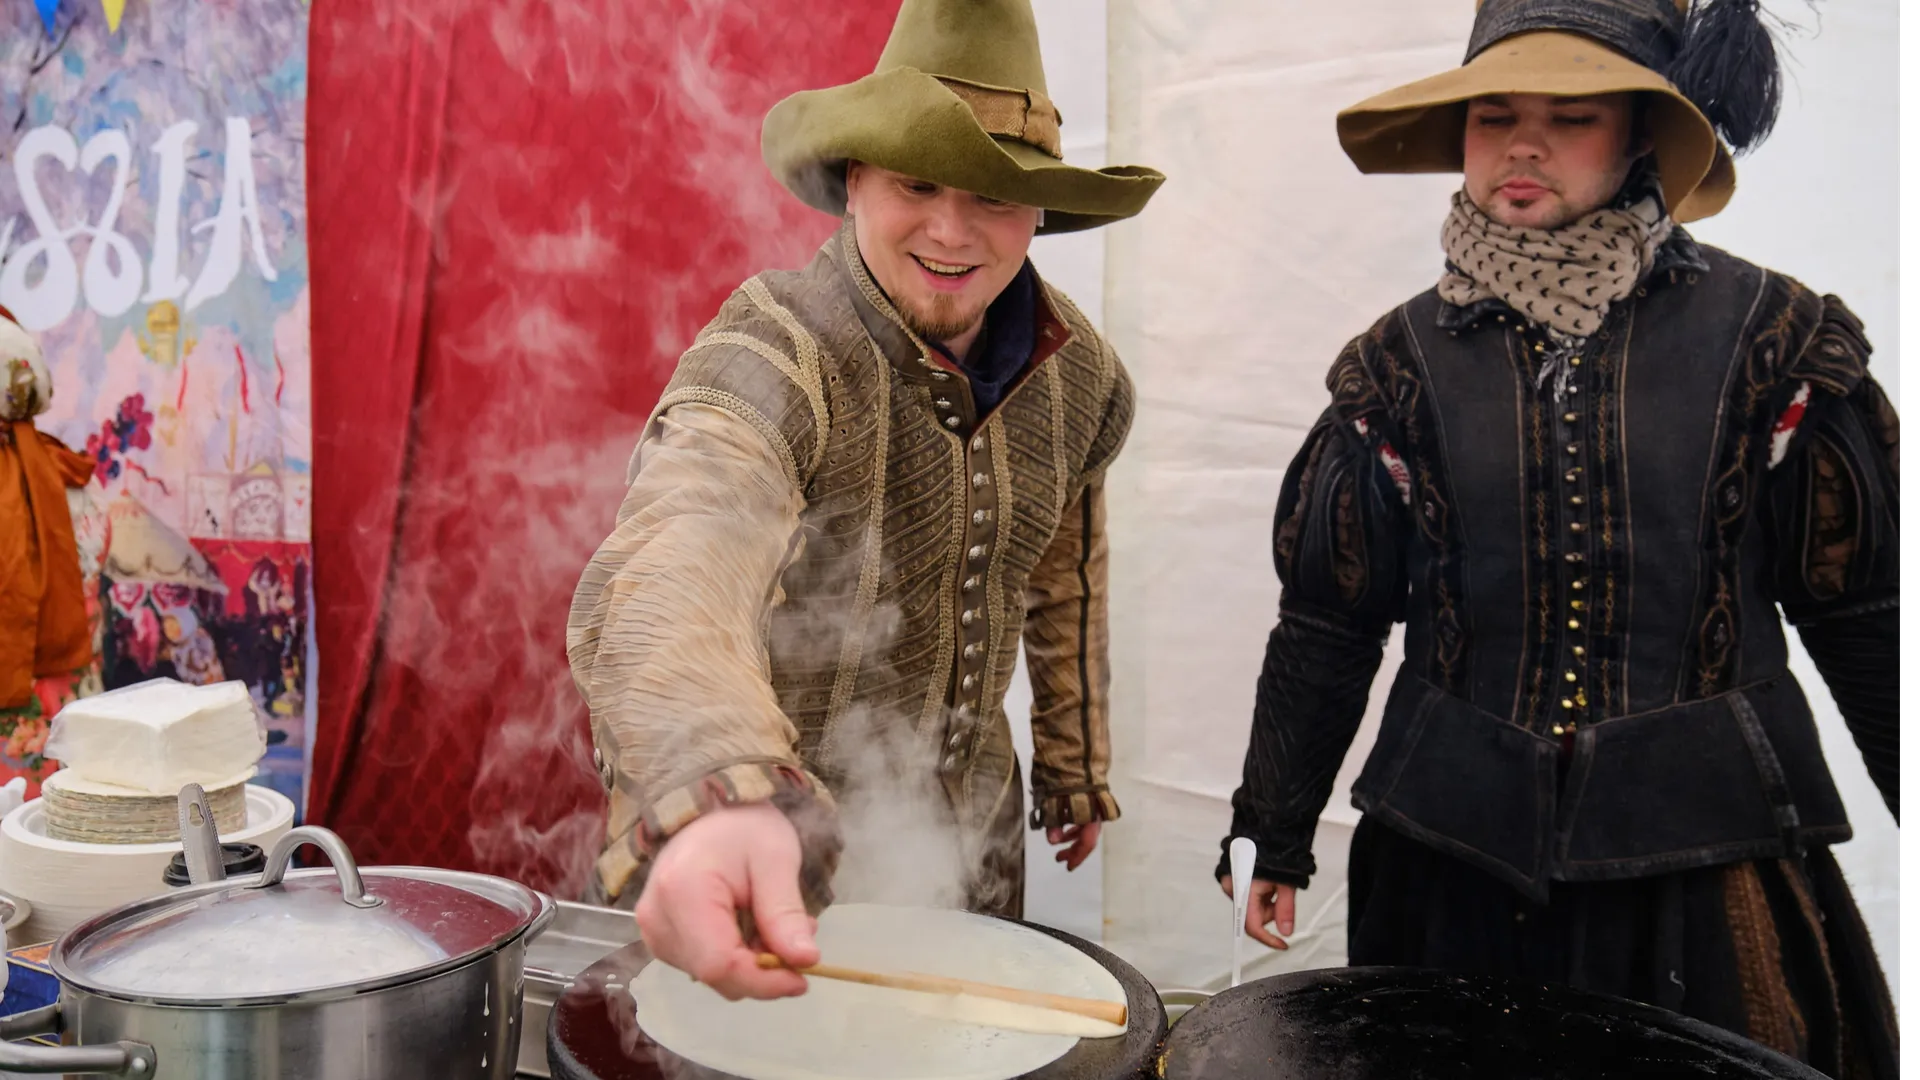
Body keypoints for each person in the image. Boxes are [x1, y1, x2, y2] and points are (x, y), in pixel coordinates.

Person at [1217, 2, 1901, 1075]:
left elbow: (1869, 612)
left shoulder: (1775, 342)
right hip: (1453, 867)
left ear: (1639, 136)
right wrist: (1276, 822)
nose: (1523, 146)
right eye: (1494, 116)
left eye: (1571, 116)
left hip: (1706, 871)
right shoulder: (1393, 365)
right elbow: (1328, 623)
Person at [568, 0, 1162, 1002]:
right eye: (916, 184)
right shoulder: (776, 343)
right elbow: (679, 547)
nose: (950, 228)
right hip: (777, 855)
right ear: (855, 182)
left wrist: (1073, 759)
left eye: (994, 195)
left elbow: (1065, 571)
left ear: (1042, 212)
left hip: (975, 842)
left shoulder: (1083, 379)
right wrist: (722, 792)